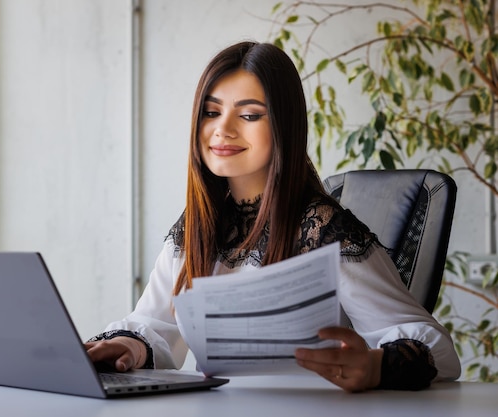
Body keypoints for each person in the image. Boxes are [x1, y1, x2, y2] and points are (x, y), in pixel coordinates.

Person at [85, 41, 461, 392]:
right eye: (211, 112)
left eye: (249, 114)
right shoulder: (200, 223)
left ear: (284, 124)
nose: (223, 129)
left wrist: (377, 365)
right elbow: (158, 324)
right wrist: (126, 346)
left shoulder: (322, 230)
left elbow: (441, 351)